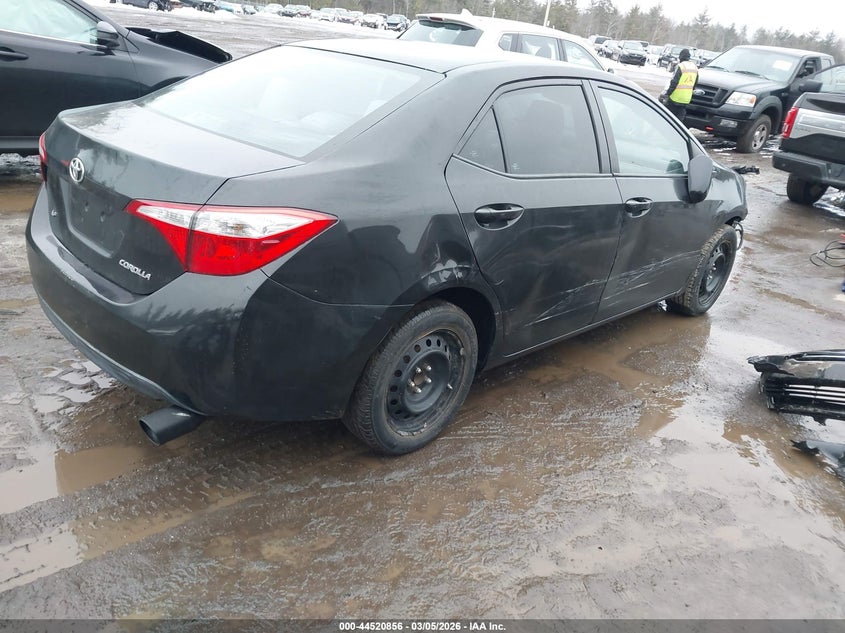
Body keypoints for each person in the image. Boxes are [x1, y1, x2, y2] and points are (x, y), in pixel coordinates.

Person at [660, 49, 698, 122]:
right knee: (679, 120)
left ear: (681, 57)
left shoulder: (681, 66)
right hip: (686, 99)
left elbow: (674, 82)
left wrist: (668, 93)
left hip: (675, 98)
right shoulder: (694, 67)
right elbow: (695, 84)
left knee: (667, 118)